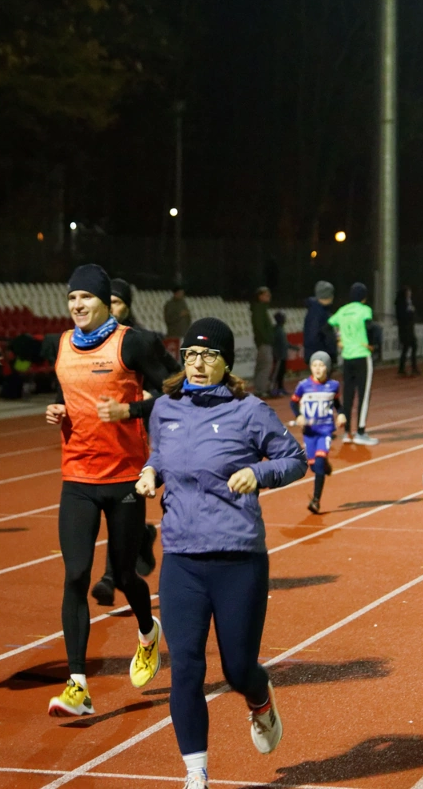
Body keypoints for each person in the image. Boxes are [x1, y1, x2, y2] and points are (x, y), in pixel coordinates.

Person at [136, 317, 307, 788]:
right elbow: (160, 454)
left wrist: (260, 474)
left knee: (236, 668)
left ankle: (260, 699)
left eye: (209, 355)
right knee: (186, 667)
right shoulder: (164, 409)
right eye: (191, 354)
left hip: (237, 557)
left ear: (227, 362)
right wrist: (152, 473)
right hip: (182, 559)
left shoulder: (249, 410)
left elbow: (295, 459)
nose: (198, 362)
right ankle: (196, 773)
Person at [44, 264, 169, 717]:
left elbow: (175, 391)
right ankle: (77, 683)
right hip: (77, 477)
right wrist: (58, 412)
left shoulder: (133, 343)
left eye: (86, 297)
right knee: (76, 575)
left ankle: (146, 630)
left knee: (125, 574)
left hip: (124, 479)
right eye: (71, 297)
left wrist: (130, 409)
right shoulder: (60, 345)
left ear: (103, 300)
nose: (77, 305)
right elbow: (69, 399)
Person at [89, 277, 174, 608]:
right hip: (99, 439)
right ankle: (142, 536)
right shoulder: (86, 342)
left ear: (128, 306)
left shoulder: (143, 340)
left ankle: (111, 577)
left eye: (118, 303)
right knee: (113, 505)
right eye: (106, 302)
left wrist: (142, 401)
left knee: (119, 501)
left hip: (135, 433)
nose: (111, 309)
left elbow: (172, 380)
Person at [292, 351, 345, 514]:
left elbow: (337, 404)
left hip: (325, 431)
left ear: (327, 368)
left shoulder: (333, 386)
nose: (318, 369)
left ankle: (316, 500)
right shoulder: (303, 386)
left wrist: (341, 414)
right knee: (314, 466)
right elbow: (293, 403)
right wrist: (299, 416)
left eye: (321, 365)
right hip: (309, 432)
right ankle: (324, 465)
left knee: (319, 463)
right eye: (314, 365)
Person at [328, 282, 378, 445]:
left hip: (347, 356)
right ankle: (361, 431)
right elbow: (370, 327)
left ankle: (347, 431)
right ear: (364, 297)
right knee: (364, 394)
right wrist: (372, 345)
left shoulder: (342, 310)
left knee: (348, 393)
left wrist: (338, 339)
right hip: (362, 355)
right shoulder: (365, 310)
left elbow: (330, 324)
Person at [302, 281, 337, 368]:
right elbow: (314, 337)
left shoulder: (318, 310)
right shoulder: (319, 313)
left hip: (319, 355)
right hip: (320, 357)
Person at [251, 286, 275, 397]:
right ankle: (261, 389)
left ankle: (260, 388)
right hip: (264, 342)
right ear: (260, 296)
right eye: (266, 294)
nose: (269, 296)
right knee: (265, 365)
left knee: (262, 365)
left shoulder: (260, 309)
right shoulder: (259, 310)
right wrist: (267, 339)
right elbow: (260, 327)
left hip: (263, 342)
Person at [395, 285, 418, 375]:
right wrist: (410, 312)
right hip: (404, 329)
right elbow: (402, 316)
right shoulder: (400, 303)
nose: (410, 294)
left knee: (413, 347)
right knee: (405, 348)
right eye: (408, 292)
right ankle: (401, 368)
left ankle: (413, 367)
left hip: (410, 328)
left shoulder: (410, 302)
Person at [271, 311, 290, 395]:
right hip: (279, 356)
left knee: (281, 373)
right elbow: (276, 343)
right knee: (277, 373)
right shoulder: (277, 330)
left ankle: (280, 388)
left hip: (282, 355)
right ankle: (274, 389)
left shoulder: (280, 329)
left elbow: (285, 343)